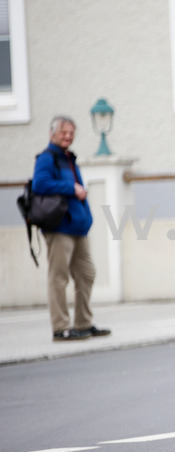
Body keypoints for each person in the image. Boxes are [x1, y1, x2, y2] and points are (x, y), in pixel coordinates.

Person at [32, 116, 111, 341]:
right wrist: (71, 187)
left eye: (71, 132)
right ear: (52, 134)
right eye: (63, 132)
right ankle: (61, 328)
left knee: (87, 273)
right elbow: (40, 184)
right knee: (59, 278)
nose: (68, 136)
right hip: (59, 227)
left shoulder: (68, 158)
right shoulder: (47, 158)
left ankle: (83, 323)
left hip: (77, 227)